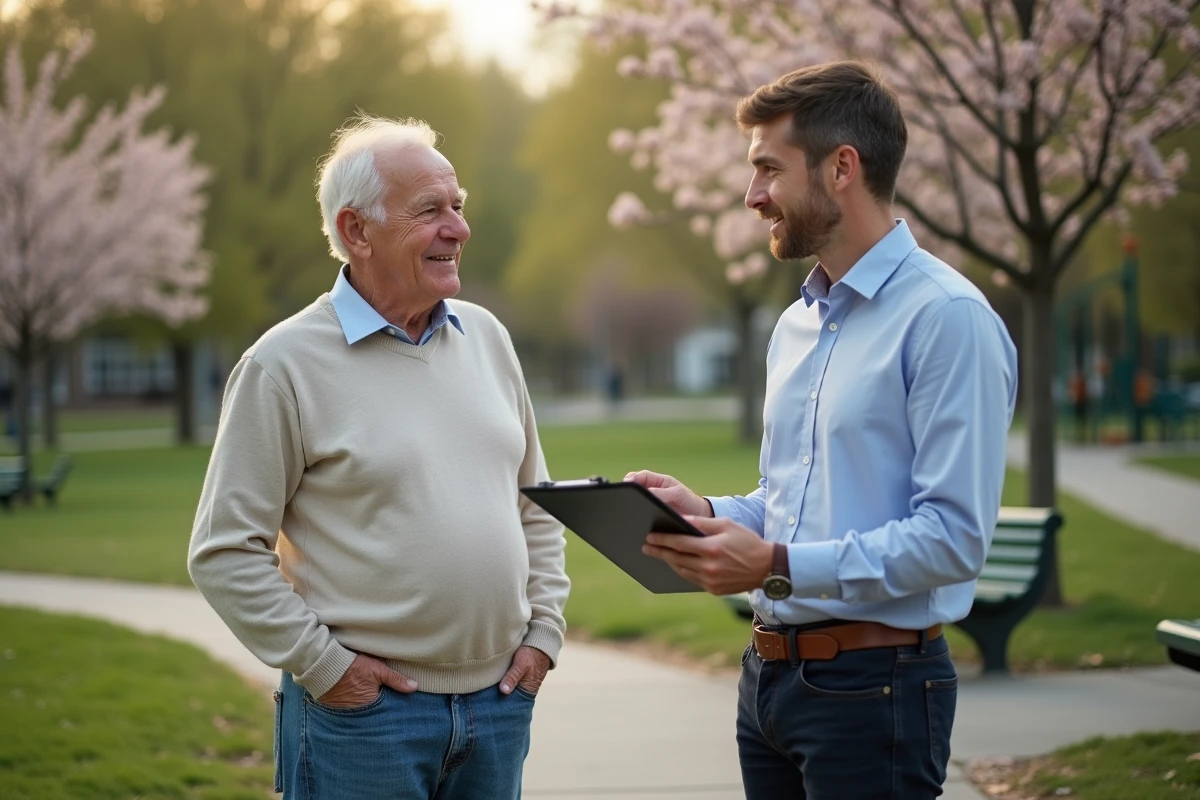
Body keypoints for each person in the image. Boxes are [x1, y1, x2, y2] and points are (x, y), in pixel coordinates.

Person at [628, 62, 1017, 799]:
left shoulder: (946, 319)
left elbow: (953, 538)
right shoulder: (796, 324)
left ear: (843, 168)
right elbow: (793, 496)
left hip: (876, 691)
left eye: (768, 169)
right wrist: (707, 513)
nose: (752, 197)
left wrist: (774, 564)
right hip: (768, 681)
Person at [187, 115, 570, 800]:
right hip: (362, 720)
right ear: (357, 231)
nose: (458, 228)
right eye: (430, 210)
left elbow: (534, 506)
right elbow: (223, 550)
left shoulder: (487, 338)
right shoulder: (282, 365)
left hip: (501, 706)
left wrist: (544, 633)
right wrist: (326, 668)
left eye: (458, 206)